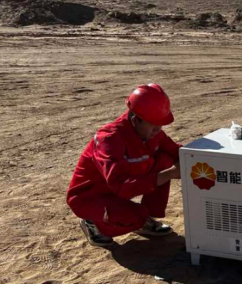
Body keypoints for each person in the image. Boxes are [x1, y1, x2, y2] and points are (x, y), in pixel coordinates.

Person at [66, 84, 182, 247]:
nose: (158, 130)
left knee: (164, 160)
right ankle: (94, 223)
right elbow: (120, 185)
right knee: (137, 216)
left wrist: (204, 156)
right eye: (154, 125)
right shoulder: (110, 140)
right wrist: (170, 174)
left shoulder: (152, 133)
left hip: (117, 190)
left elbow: (175, 151)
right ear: (135, 120)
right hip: (90, 197)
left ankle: (145, 218)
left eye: (160, 124)